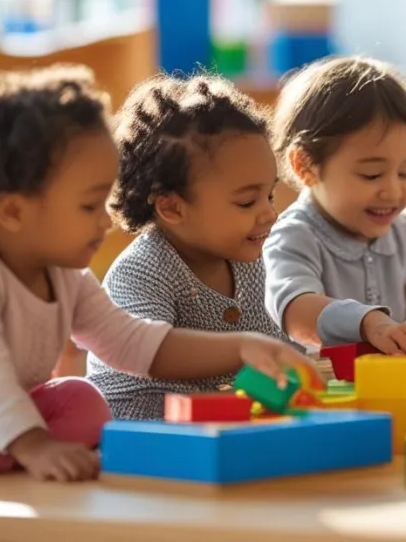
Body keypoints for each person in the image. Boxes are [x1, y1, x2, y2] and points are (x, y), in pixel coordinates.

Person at [0, 66, 311, 486]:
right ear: (13, 211)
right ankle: (6, 452)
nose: (105, 222)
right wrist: (34, 444)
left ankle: (9, 453)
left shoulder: (66, 275)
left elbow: (133, 344)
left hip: (6, 412)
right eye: (88, 207)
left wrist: (244, 347)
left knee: (84, 401)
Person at [87, 75, 309, 420]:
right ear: (172, 208)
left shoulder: (258, 259)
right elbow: (152, 353)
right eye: (247, 202)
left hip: (225, 423)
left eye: (268, 194)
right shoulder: (142, 270)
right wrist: (243, 349)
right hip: (148, 425)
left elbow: (285, 344)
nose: (269, 213)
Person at [264, 57, 406, 356]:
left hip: (391, 388)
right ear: (305, 165)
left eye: (405, 172)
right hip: (320, 391)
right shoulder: (294, 235)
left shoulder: (402, 229)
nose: (394, 191)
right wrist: (367, 322)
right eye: (371, 175)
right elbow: (295, 310)